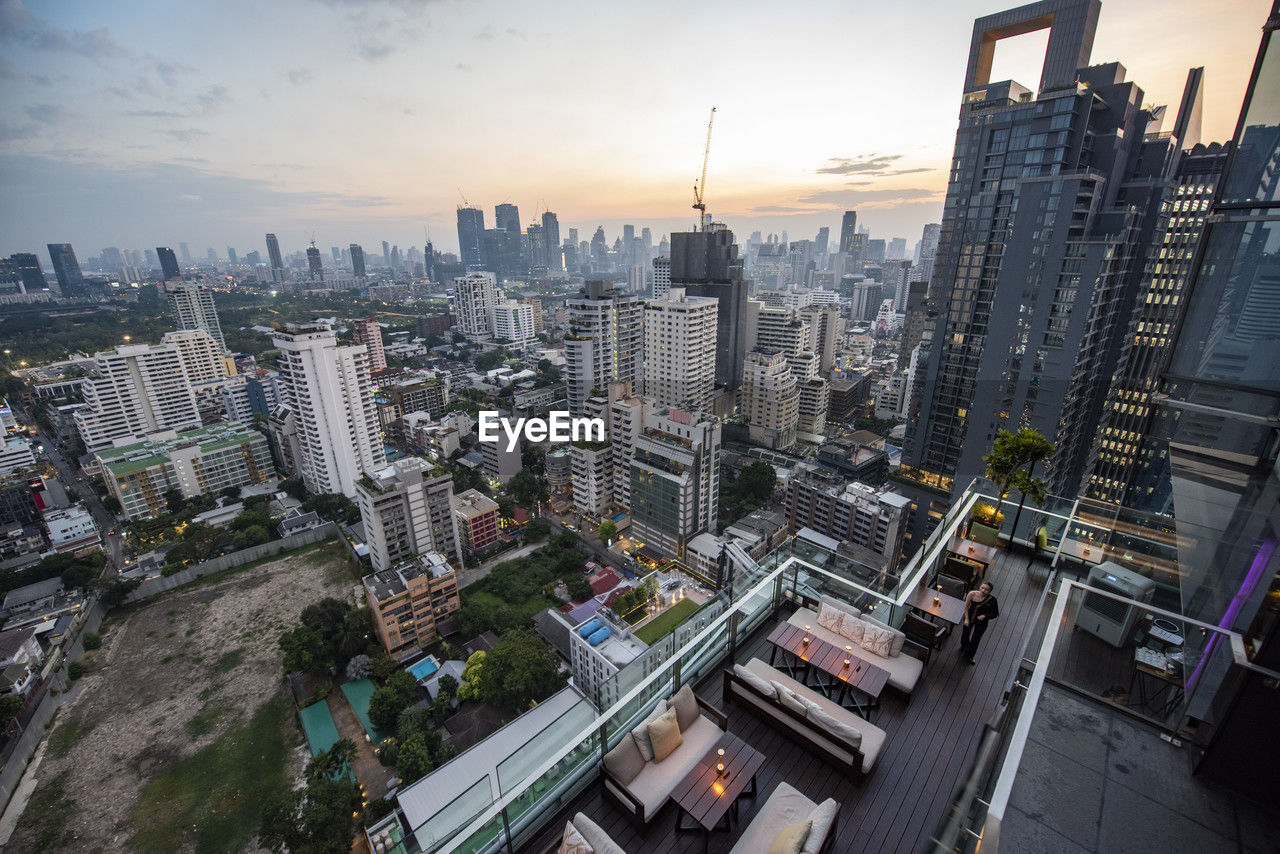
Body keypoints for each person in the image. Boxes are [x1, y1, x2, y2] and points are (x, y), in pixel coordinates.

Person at [960, 581, 999, 665]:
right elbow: (966, 606)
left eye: (986, 590)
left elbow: (995, 613)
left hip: (982, 621)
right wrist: (966, 619)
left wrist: (985, 616)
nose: (983, 590)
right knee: (965, 633)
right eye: (982, 588)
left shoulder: (992, 600)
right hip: (970, 617)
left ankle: (970, 655)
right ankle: (964, 647)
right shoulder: (972, 594)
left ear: (989, 592)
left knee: (976, 639)